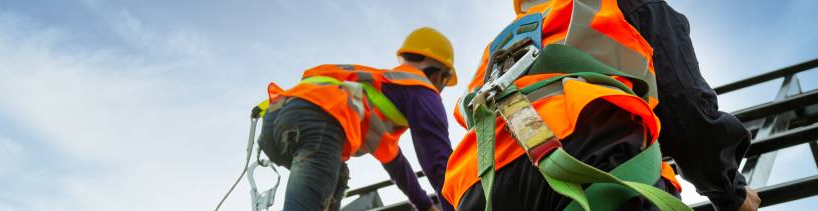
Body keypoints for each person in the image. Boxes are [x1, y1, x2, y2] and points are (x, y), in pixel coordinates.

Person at [441, 0, 757, 210]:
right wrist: (730, 191)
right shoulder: (618, 4)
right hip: (593, 152)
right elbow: (684, 107)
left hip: (478, 185)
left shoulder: (503, 44)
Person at [258, 27, 455, 211]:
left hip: (275, 121)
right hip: (318, 121)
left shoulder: (380, 94)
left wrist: (425, 206)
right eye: (444, 81)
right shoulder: (421, 89)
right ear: (438, 73)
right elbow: (440, 163)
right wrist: (460, 204)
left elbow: (397, 166)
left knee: (337, 179)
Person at [618, 0, 760, 210]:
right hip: (616, 178)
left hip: (555, 168)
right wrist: (732, 193)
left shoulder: (557, 11)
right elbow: (684, 111)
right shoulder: (641, 6)